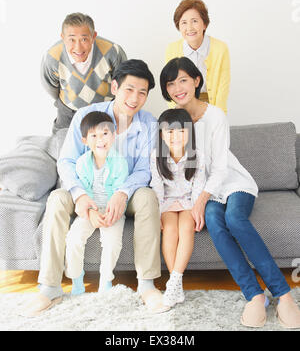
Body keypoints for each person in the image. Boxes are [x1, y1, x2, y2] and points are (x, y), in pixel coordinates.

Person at [159, 56, 300, 329]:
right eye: (171, 83)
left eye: (183, 80)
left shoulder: (215, 116)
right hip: (205, 190)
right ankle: (254, 295)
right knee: (214, 221)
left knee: (234, 219)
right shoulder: (174, 122)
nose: (177, 88)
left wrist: (199, 202)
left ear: (197, 80)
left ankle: (283, 295)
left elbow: (221, 167)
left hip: (233, 183)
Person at [21, 59, 167, 317]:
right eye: (129, 89)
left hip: (126, 193)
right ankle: (49, 287)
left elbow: (145, 170)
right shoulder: (86, 116)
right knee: (56, 199)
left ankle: (146, 285)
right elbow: (66, 161)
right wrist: (80, 196)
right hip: (87, 188)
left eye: (142, 92)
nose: (135, 98)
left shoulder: (148, 125)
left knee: (147, 197)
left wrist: (123, 193)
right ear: (114, 87)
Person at [64, 111, 128, 295]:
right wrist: (91, 212)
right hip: (89, 209)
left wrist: (109, 214)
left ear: (113, 136)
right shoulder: (82, 163)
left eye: (105, 134)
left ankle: (105, 279)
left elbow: (118, 191)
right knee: (74, 238)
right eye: (94, 135)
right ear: (85, 140)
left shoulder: (120, 162)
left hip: (112, 209)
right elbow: (83, 191)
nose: (100, 140)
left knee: (112, 242)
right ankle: (76, 278)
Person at [150, 108, 205, 307]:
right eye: (169, 132)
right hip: (167, 201)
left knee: (185, 229)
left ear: (189, 132)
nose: (175, 136)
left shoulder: (197, 155)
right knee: (171, 230)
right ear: (161, 135)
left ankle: (174, 280)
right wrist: (156, 213)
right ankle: (176, 284)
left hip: (190, 201)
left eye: (181, 131)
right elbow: (157, 187)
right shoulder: (157, 155)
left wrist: (198, 209)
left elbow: (199, 186)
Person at [41, 12, 127, 132]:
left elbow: (123, 85)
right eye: (71, 39)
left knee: (111, 147)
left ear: (93, 36)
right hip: (68, 114)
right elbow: (51, 87)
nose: (78, 47)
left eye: (84, 39)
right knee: (61, 147)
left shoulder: (113, 52)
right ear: (63, 38)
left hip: (106, 110)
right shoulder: (52, 57)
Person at [165, 0, 230, 114]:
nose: (189, 28)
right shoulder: (172, 49)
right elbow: (169, 86)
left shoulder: (220, 48)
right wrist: (176, 114)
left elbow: (222, 88)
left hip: (211, 105)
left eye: (194, 21)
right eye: (184, 22)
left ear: (204, 24)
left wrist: (218, 115)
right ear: (179, 26)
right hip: (182, 105)